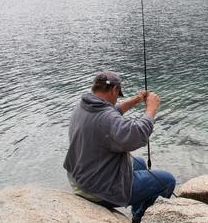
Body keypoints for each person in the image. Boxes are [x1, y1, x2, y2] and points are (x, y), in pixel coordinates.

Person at [63, 71, 176, 223]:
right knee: (167, 180)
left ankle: (136, 209)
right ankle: (139, 217)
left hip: (80, 178)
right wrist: (151, 109)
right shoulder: (106, 117)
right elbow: (137, 135)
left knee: (140, 163)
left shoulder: (85, 106)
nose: (117, 98)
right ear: (114, 89)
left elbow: (112, 111)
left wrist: (136, 100)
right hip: (98, 190)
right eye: (118, 94)